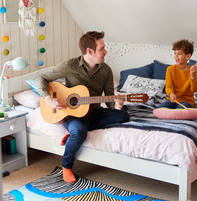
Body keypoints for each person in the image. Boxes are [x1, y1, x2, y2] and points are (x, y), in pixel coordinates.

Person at [36, 31, 129, 183]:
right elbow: (41, 78)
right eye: (102, 48)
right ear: (89, 51)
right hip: (71, 113)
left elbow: (110, 98)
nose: (105, 51)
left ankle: (75, 132)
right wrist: (48, 99)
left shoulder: (106, 70)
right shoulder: (69, 66)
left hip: (94, 111)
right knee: (79, 131)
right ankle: (66, 166)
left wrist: (117, 104)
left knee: (123, 116)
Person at [157, 39, 197, 109]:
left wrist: (193, 77)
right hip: (172, 100)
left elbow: (195, 89)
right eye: (175, 53)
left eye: (179, 54)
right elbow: (168, 86)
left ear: (188, 56)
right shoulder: (170, 69)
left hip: (187, 101)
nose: (175, 56)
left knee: (179, 112)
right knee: (159, 110)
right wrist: (171, 93)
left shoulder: (193, 71)